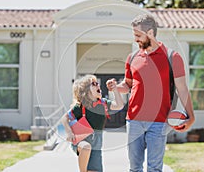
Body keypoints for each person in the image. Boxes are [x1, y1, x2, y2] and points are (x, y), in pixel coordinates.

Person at [109, 14, 195, 172]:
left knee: (154, 168)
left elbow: (182, 88)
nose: (135, 39)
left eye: (138, 35)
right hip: (133, 121)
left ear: (150, 33)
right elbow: (128, 85)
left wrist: (191, 116)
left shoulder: (172, 57)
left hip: (159, 121)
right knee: (134, 168)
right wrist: (115, 87)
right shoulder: (133, 57)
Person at [62, 74, 124, 172]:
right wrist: (69, 132)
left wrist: (115, 89)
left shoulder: (103, 104)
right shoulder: (80, 107)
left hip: (96, 146)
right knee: (86, 147)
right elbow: (64, 118)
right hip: (81, 141)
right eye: (94, 84)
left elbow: (119, 105)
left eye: (98, 83)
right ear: (86, 90)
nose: (98, 85)